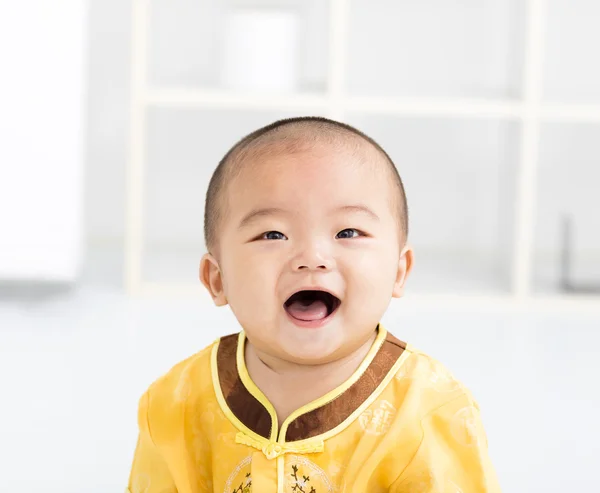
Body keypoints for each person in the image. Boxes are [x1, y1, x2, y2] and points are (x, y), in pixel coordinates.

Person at [125, 117, 501, 493]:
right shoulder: (177, 402)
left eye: (348, 232)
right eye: (273, 234)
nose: (312, 257)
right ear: (217, 279)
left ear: (399, 271)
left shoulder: (430, 412)